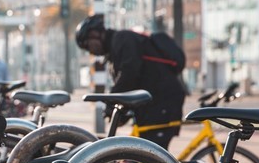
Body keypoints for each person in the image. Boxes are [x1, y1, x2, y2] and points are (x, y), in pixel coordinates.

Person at [75, 15, 186, 149]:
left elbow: (129, 74)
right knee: (141, 155)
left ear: (95, 34)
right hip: (153, 105)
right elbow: (132, 82)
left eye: (87, 45)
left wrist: (111, 101)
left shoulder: (122, 39)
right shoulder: (115, 49)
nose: (90, 51)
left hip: (164, 102)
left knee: (152, 157)